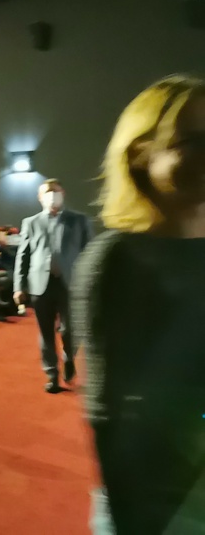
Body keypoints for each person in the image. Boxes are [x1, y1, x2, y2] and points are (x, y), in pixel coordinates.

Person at [72, 75, 205, 534]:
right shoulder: (118, 259)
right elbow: (110, 411)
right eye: (194, 140)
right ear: (141, 154)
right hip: (160, 504)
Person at [14, 179, 92, 393]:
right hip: (40, 285)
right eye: (46, 192)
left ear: (62, 193)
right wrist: (19, 286)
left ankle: (69, 358)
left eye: (54, 191)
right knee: (46, 333)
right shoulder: (31, 222)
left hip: (71, 284)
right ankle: (51, 375)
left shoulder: (79, 220)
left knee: (70, 331)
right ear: (40, 198)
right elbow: (23, 256)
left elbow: (88, 254)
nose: (51, 195)